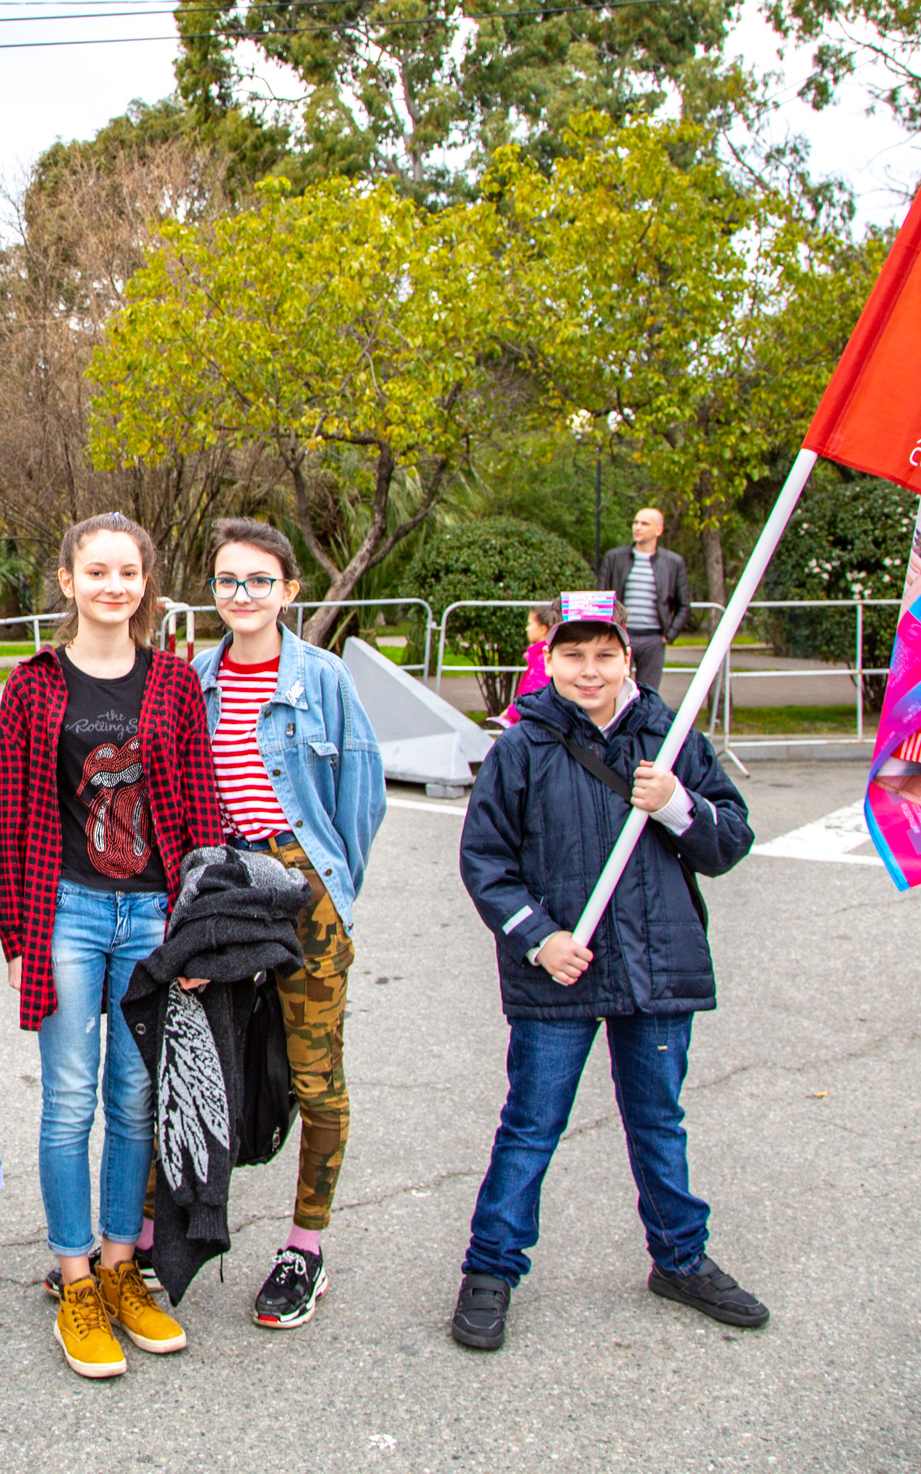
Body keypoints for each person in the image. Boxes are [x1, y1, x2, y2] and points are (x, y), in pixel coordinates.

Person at [449, 591, 761, 1353]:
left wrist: (678, 803)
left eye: (604, 654)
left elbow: (729, 842)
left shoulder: (671, 735)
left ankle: (680, 1258)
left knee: (659, 1120)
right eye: (572, 654)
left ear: (628, 656)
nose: (589, 671)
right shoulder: (522, 745)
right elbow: (485, 860)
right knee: (531, 1124)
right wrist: (539, 938)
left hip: (656, 965)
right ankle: (491, 1267)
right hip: (559, 970)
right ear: (548, 659)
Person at [0, 512, 224, 1381]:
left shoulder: (172, 684)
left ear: (146, 583)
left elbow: (203, 809)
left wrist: (199, 926)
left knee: (135, 1097)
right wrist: (17, 928)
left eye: (128, 572)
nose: (113, 585)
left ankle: (125, 1265)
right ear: (67, 578)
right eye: (97, 570)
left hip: (154, 917)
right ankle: (75, 1275)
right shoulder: (32, 686)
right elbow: (15, 816)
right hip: (69, 911)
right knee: (68, 1099)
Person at [193, 518, 386, 1330]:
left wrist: (332, 890)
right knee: (202, 1066)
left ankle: (305, 1245)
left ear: (289, 590)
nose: (243, 595)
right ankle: (159, 1233)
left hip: (303, 882)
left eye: (260, 581)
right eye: (229, 581)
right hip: (228, 888)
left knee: (314, 1074)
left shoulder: (323, 678)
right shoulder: (192, 678)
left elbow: (361, 797)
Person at [596, 507, 689, 697]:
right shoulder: (614, 558)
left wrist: (669, 635)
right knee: (614, 694)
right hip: (619, 637)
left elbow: (684, 605)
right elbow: (601, 597)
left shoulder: (673, 562)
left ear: (658, 530)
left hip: (653, 640)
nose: (637, 527)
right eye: (635, 522)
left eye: (644, 524)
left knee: (648, 697)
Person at [496, 604, 556, 729]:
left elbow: (534, 696)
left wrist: (511, 712)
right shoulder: (537, 657)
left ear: (542, 629)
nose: (527, 629)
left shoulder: (542, 661)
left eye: (530, 624)